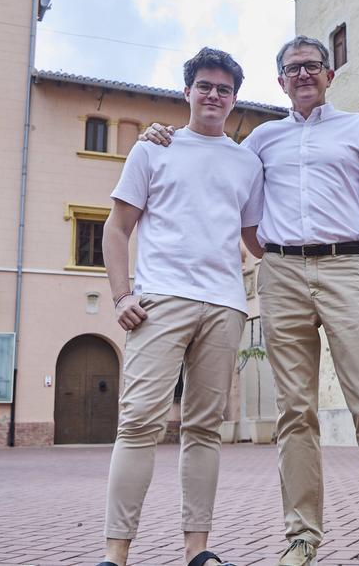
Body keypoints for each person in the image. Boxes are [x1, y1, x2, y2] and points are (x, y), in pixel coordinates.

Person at [143, 36, 359, 566]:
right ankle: (302, 537)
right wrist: (164, 136)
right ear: (280, 81)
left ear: (329, 74)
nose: (303, 75)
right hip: (282, 273)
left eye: (312, 66)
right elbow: (214, 164)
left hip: (344, 267)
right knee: (295, 412)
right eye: (292, 69)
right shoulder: (262, 140)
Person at [98, 47, 263, 566]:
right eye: (205, 86)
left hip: (225, 305)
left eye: (224, 89)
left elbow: (256, 239)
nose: (214, 95)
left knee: (203, 430)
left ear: (233, 99)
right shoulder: (153, 149)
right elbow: (116, 228)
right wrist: (122, 295)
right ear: (187, 91)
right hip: (160, 301)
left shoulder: (247, 161)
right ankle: (115, 554)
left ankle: (197, 551)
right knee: (138, 423)